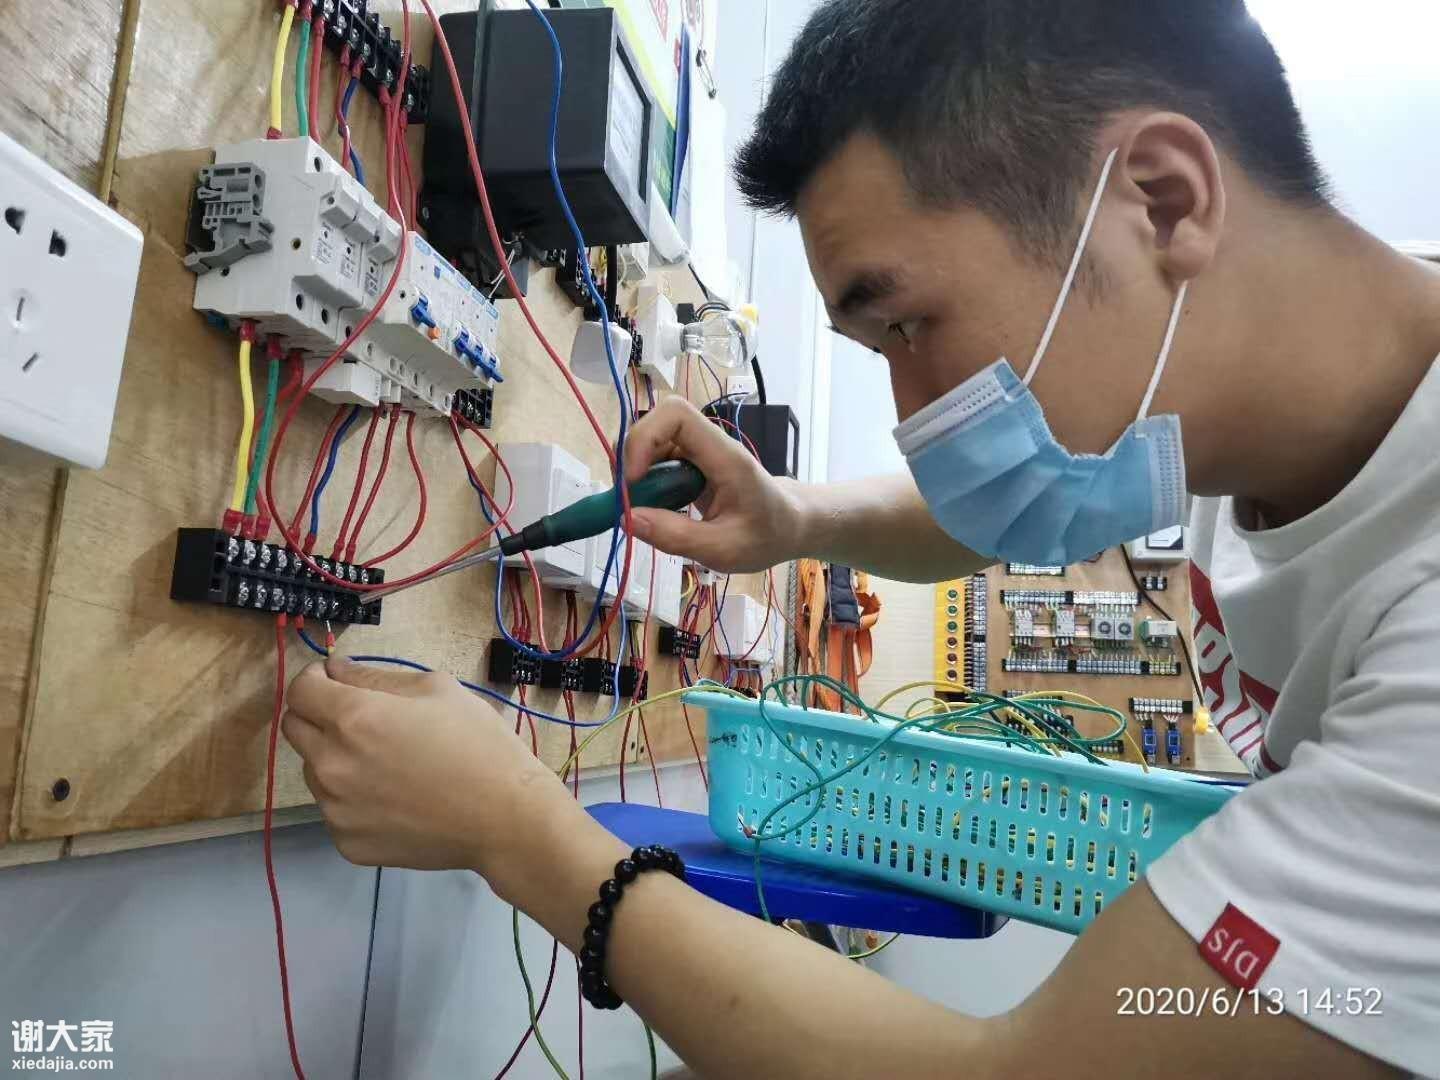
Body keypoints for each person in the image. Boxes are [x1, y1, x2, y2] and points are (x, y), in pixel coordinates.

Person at [282, 2, 1439, 1075]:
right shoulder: (1274, 373)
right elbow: (1025, 498)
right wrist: (793, 520)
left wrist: (517, 835)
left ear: (1164, 200)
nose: (910, 414)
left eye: (908, 324)